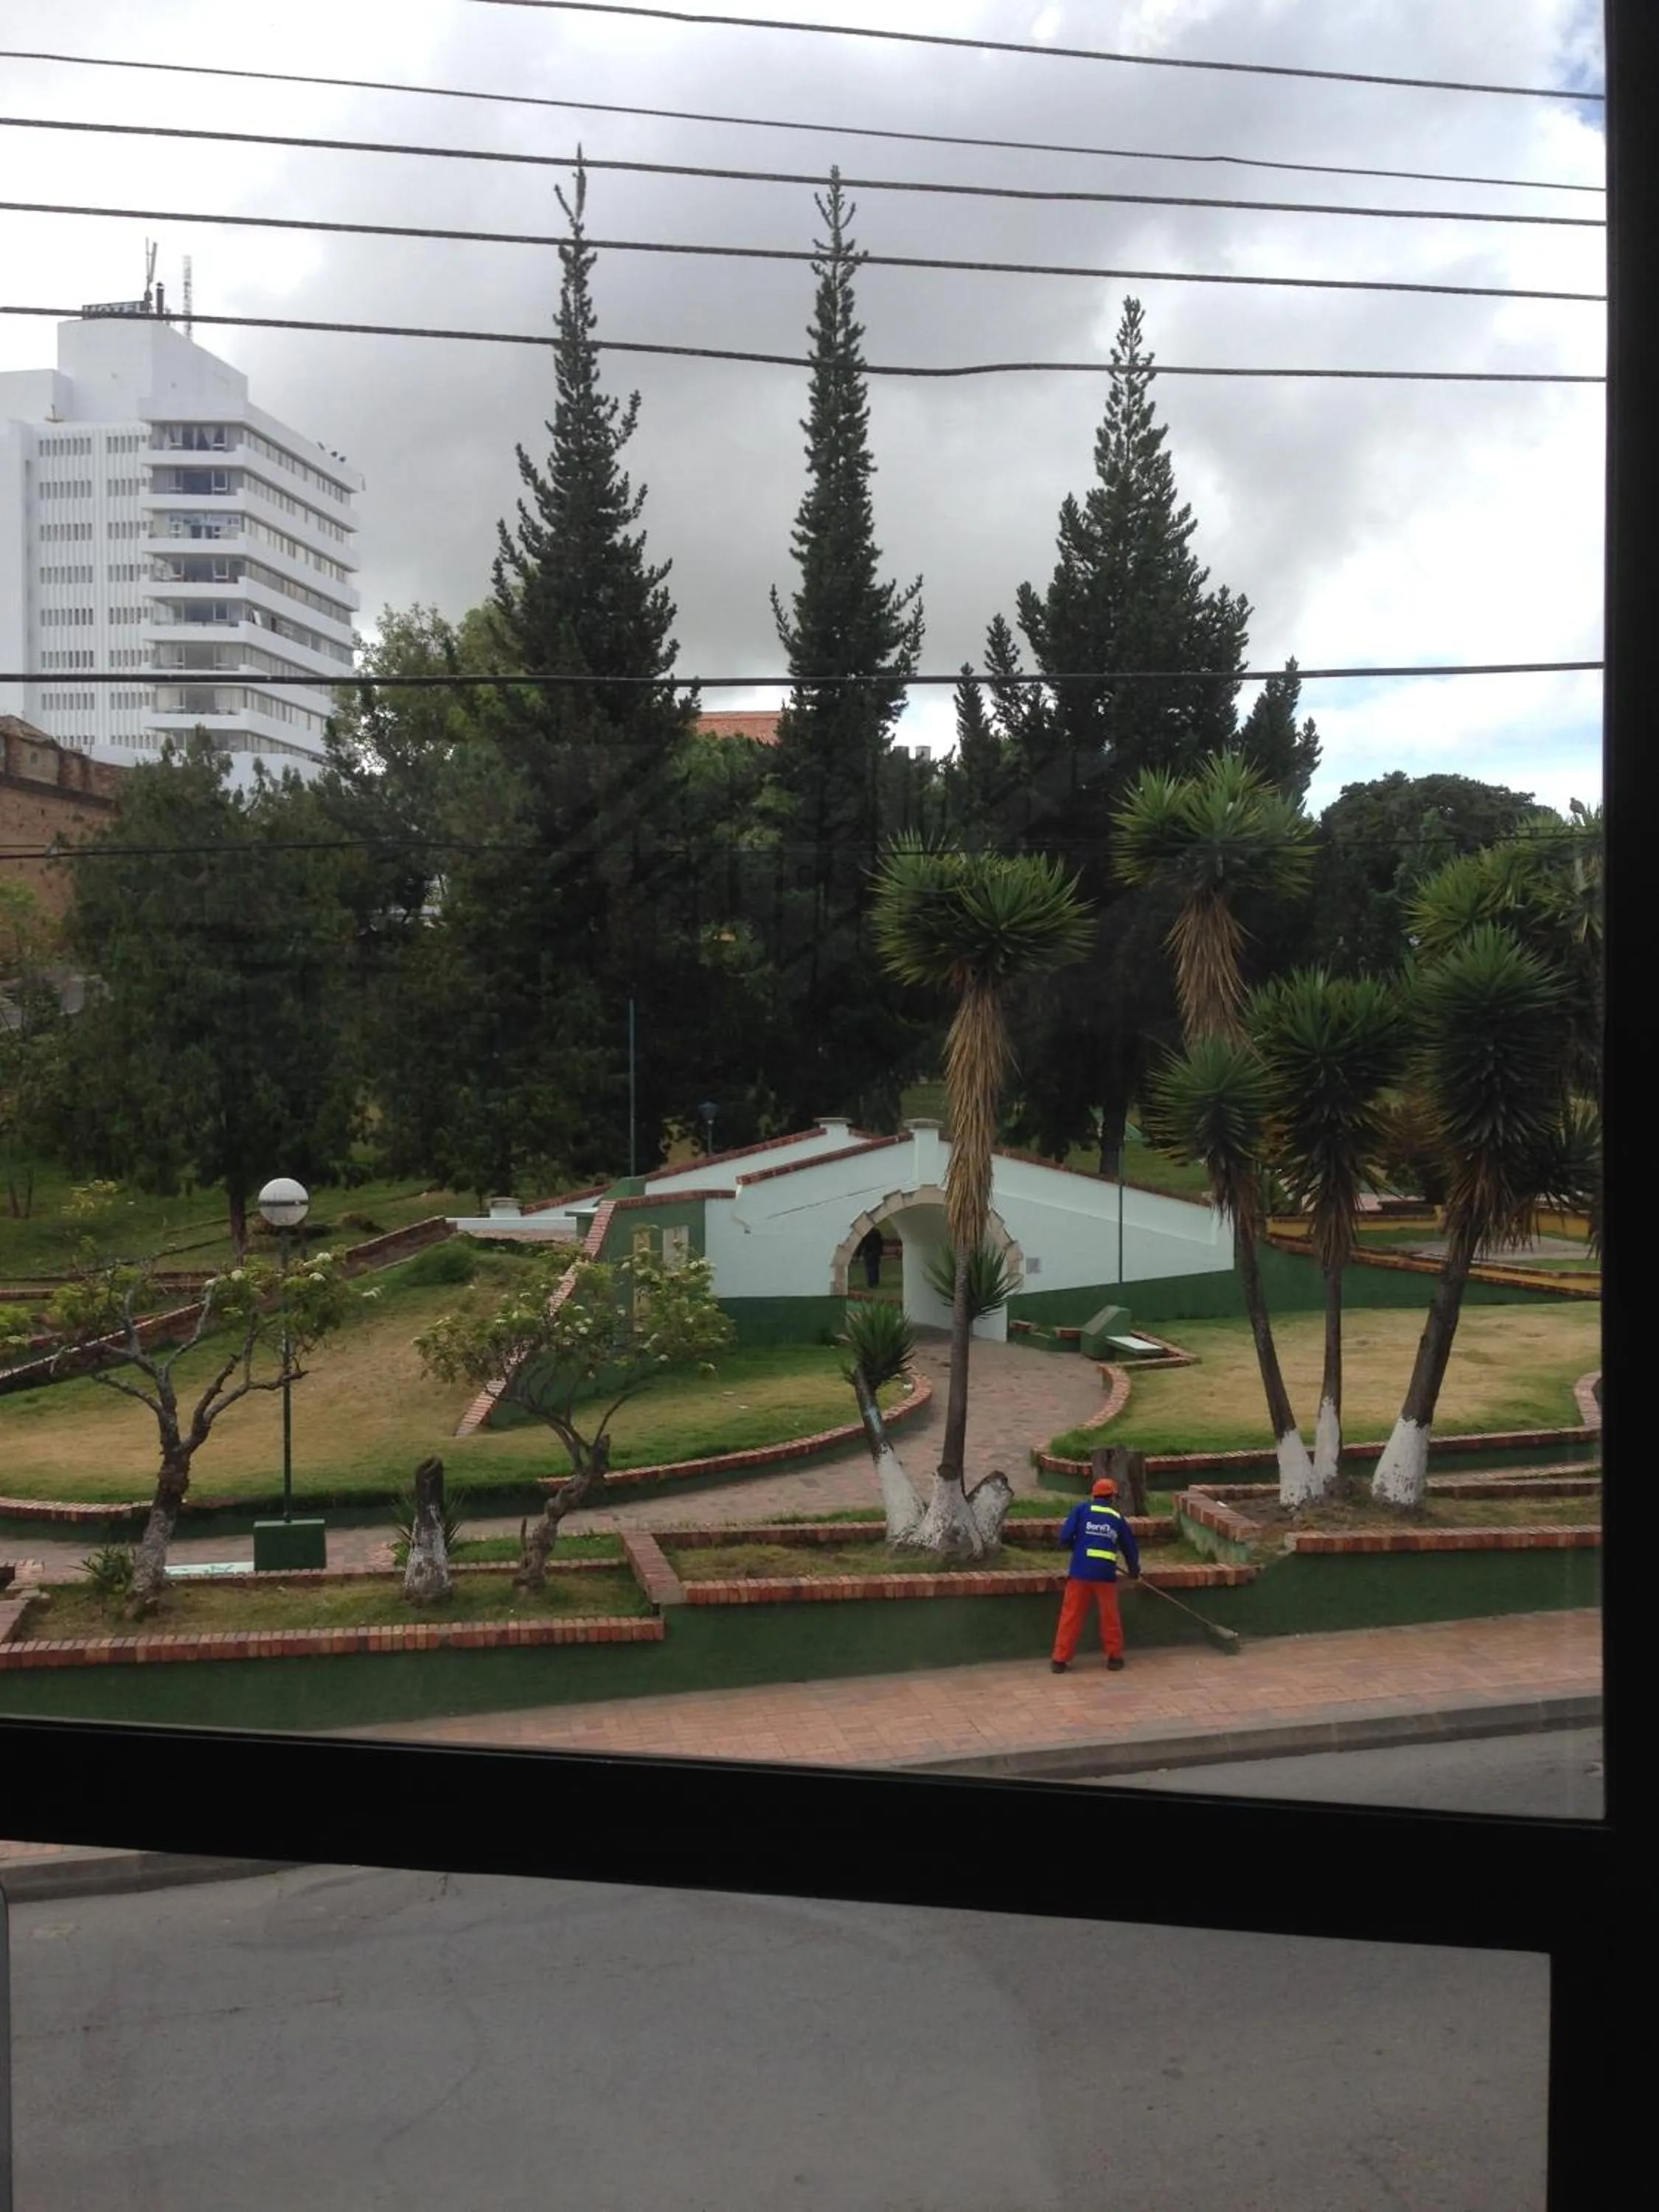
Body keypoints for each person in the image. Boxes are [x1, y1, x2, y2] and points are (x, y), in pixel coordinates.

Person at [1051, 1475, 1141, 1674]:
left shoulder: (1082, 1511)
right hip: (1105, 1575)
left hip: (1080, 1573)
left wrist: (1077, 1547)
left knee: (1071, 1616)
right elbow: (1130, 1549)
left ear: (1094, 1495)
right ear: (1113, 1498)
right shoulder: (1117, 1519)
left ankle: (1060, 1660)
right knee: (1110, 1617)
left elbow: (1064, 1537)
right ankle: (1114, 1658)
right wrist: (1134, 1571)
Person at [855, 1225, 886, 1291]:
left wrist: (858, 1254)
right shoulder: (877, 1232)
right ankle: (875, 1282)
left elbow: (862, 1244)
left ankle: (872, 1283)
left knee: (870, 1268)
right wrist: (881, 1251)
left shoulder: (866, 1233)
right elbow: (881, 1242)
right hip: (876, 1252)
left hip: (869, 1252)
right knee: (875, 1268)